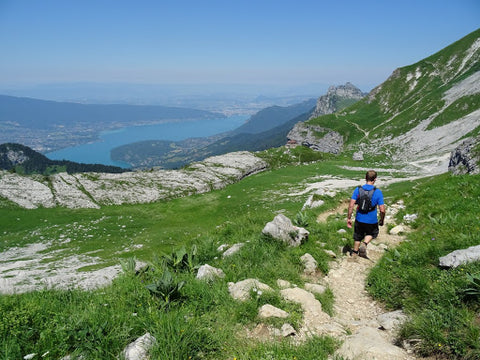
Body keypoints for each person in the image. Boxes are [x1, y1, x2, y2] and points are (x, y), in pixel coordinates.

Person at [346, 170, 385, 258]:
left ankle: (355, 253)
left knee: (358, 236)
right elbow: (382, 210)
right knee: (372, 233)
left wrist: (349, 218)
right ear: (375, 179)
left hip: (359, 218)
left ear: (365, 178)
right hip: (372, 220)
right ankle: (364, 244)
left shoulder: (358, 189)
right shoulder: (378, 192)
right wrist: (382, 219)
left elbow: (351, 205)